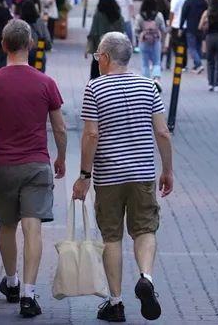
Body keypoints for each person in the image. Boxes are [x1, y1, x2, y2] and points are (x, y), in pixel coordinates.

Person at [72, 32, 173, 323]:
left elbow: (91, 134)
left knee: (112, 235)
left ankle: (115, 303)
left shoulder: (95, 88)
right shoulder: (148, 86)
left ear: (104, 58)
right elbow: (162, 132)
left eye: (97, 57)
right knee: (145, 229)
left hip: (109, 176)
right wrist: (167, 170)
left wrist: (84, 176)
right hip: (141, 173)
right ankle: (146, 278)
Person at [0, 20, 67, 319]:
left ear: (3, 46)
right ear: (31, 45)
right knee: (33, 227)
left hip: (3, 166)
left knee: (7, 226)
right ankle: (29, 293)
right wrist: (61, 156)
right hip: (37, 165)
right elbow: (60, 127)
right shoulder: (46, 83)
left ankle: (10, 282)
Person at [87, 0, 124, 80]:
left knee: (95, 76)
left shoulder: (98, 15)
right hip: (114, 52)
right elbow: (122, 33)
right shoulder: (119, 17)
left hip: (100, 51)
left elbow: (93, 33)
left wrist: (88, 47)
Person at [133, 0, 167, 86]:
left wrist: (140, 37)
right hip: (156, 41)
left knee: (145, 63)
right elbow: (163, 29)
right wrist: (163, 41)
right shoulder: (158, 15)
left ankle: (146, 83)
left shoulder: (139, 16)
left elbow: (136, 30)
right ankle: (156, 79)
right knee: (157, 62)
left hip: (143, 42)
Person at [199, 0, 218, 92]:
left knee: (210, 61)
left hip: (209, 38)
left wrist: (206, 24)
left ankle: (210, 83)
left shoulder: (206, 13)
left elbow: (199, 27)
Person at [178, 0, 207, 74]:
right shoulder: (203, 1)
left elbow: (183, 15)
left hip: (191, 27)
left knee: (192, 48)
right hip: (201, 27)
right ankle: (196, 66)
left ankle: (198, 64)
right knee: (198, 46)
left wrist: (180, 27)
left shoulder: (188, 2)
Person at [19, 0, 52, 71]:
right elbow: (47, 38)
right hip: (38, 52)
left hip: (23, 53)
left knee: (25, 76)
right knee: (39, 76)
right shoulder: (40, 21)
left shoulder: (20, 23)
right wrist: (48, 46)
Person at [166, 0, 188, 72]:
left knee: (176, 45)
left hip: (176, 24)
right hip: (186, 25)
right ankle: (184, 64)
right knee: (184, 45)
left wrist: (170, 25)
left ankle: (180, 63)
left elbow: (172, 13)